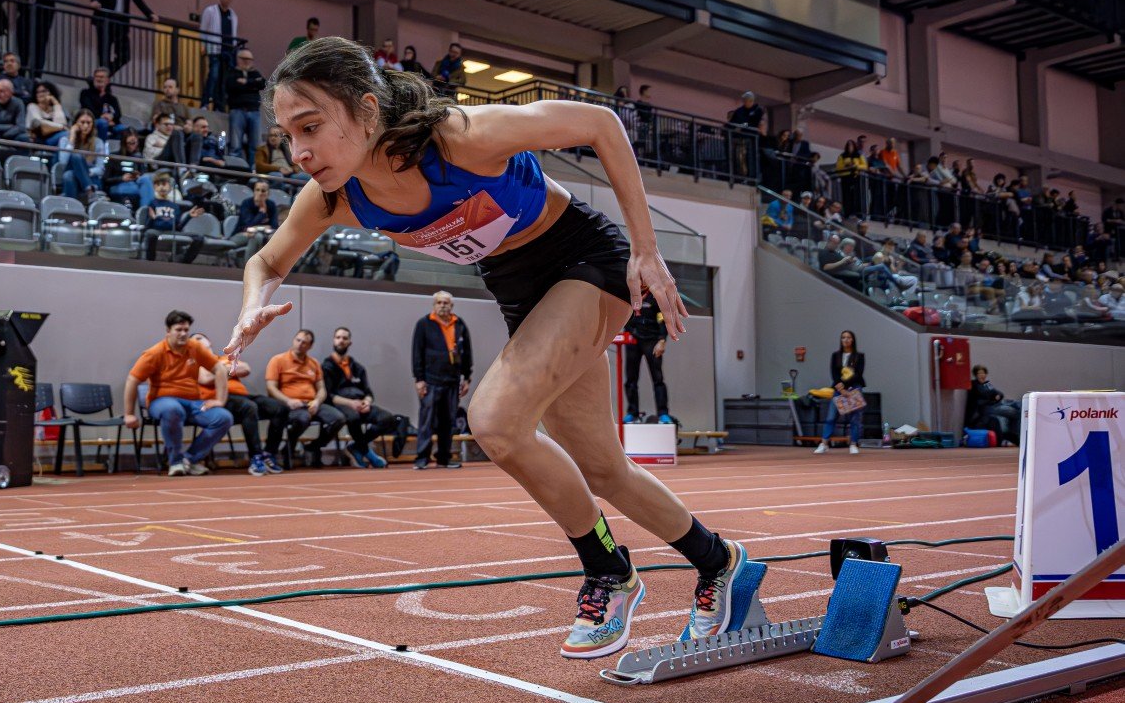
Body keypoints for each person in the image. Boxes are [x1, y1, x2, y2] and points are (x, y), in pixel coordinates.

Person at [223, 36, 746, 661]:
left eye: (310, 127)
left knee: (496, 418)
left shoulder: (461, 137)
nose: (299, 151)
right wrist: (253, 303)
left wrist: (646, 247)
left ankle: (608, 571)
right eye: (287, 135)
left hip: (583, 258)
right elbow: (267, 259)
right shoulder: (337, 197)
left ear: (366, 110)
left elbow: (601, 124)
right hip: (520, 290)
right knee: (604, 469)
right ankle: (720, 562)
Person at [123, 310, 233, 477]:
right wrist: (129, 414)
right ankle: (175, 462)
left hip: (193, 404)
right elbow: (132, 380)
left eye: (186, 330)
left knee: (223, 417)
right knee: (173, 409)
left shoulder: (194, 347)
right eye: (178, 330)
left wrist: (220, 400)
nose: (183, 334)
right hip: (161, 402)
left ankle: (188, 460)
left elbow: (219, 368)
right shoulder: (154, 353)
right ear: (168, 331)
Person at [194, 332, 278, 476]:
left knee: (278, 408)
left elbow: (246, 369)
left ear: (209, 342)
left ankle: (269, 453)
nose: (198, 341)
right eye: (194, 340)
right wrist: (229, 369)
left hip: (243, 396)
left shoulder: (223, 358)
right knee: (249, 408)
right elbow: (205, 378)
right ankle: (255, 456)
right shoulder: (197, 362)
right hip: (219, 400)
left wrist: (219, 369)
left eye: (200, 338)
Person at [322, 327, 403, 467]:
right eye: (338, 337)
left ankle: (357, 446)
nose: (341, 341)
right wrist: (351, 403)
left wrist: (366, 402)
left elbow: (368, 392)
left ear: (349, 343)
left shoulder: (357, 367)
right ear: (334, 340)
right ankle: (368, 453)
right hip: (342, 405)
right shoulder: (327, 366)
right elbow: (328, 396)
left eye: (345, 338)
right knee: (353, 417)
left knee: (387, 418)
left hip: (361, 403)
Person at [264, 329, 346, 467]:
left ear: (310, 346)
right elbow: (271, 388)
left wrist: (317, 402)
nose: (300, 344)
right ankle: (289, 447)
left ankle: (313, 446)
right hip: (290, 404)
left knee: (339, 418)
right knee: (303, 418)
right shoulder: (278, 360)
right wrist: (288, 401)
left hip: (311, 403)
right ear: (294, 340)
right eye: (298, 340)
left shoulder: (314, 363)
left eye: (304, 343)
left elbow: (321, 389)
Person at [410, 291, 471, 470]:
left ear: (451, 306)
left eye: (446, 303)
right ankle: (422, 458)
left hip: (452, 381)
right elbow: (417, 352)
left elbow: (466, 352)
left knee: (448, 421)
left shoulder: (459, 324)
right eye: (439, 302)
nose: (443, 305)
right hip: (430, 381)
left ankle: (443, 458)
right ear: (434, 305)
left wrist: (467, 377)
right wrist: (419, 379)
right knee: (426, 421)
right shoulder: (424, 324)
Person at [88, 0, 157, 76]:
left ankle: (106, 74)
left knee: (125, 55)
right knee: (104, 50)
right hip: (106, 19)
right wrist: (95, 0)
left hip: (121, 22)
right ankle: (103, 75)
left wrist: (150, 14)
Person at [813, 330, 865, 456]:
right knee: (831, 417)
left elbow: (858, 374)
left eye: (848, 337)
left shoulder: (859, 356)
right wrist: (841, 389)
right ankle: (824, 443)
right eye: (843, 337)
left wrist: (847, 389)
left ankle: (853, 444)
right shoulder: (835, 355)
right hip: (838, 389)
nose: (846, 340)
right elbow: (834, 374)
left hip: (854, 388)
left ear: (852, 340)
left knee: (854, 418)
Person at [621, 300, 670, 424]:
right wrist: (628, 332)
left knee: (658, 379)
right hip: (633, 340)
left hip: (652, 341)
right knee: (631, 379)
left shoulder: (655, 295)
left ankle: (663, 414)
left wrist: (662, 340)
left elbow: (662, 317)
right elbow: (624, 315)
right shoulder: (631, 294)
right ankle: (632, 413)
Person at [141, 171, 206, 262]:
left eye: (164, 184)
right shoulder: (152, 203)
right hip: (157, 231)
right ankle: (150, 262)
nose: (161, 187)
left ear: (170, 187)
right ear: (154, 187)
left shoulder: (175, 206)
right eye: (158, 185)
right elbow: (146, 228)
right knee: (150, 234)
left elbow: (178, 227)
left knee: (199, 238)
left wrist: (189, 216)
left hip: (172, 232)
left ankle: (184, 261)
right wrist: (152, 218)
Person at [198, 0, 238, 111]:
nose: (227, 0)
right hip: (215, 49)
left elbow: (234, 33)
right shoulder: (211, 11)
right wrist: (203, 44)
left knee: (224, 80)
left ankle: (219, 106)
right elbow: (203, 29)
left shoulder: (233, 15)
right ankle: (205, 103)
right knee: (213, 76)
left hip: (228, 51)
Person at [225, 47, 266, 158]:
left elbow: (263, 83)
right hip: (237, 110)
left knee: (255, 145)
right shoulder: (232, 72)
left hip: (254, 111)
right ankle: (236, 170)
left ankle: (254, 170)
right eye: (244, 58)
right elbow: (232, 86)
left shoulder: (254, 72)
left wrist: (246, 82)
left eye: (249, 59)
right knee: (235, 144)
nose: (247, 61)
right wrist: (252, 85)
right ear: (238, 59)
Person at [78, 67, 125, 139]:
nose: (99, 79)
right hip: (93, 122)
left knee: (122, 128)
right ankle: (101, 148)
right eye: (96, 76)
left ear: (107, 80)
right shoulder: (86, 93)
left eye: (102, 77)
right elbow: (88, 109)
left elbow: (118, 113)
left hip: (111, 124)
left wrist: (111, 117)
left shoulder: (112, 98)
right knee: (102, 123)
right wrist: (103, 117)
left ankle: (113, 148)